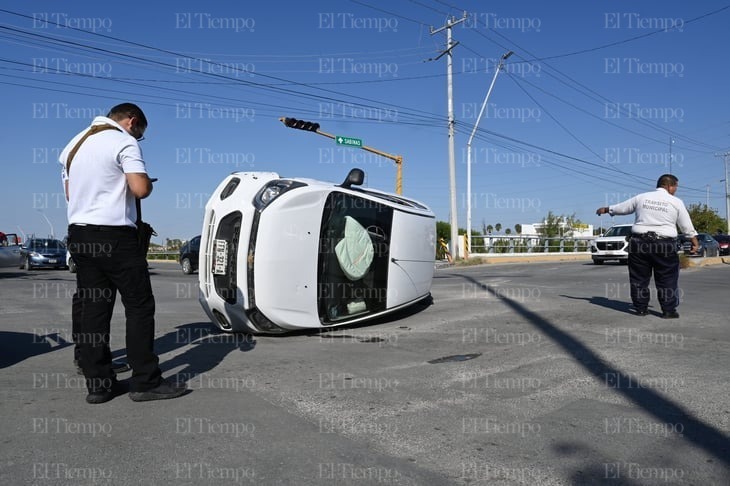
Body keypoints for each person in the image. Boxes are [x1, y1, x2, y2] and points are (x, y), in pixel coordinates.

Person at [59, 102, 187, 403]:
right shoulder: (123, 141)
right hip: (115, 236)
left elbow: (69, 193)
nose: (138, 139)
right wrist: (141, 183)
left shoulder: (72, 145)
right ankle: (145, 381)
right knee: (139, 307)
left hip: (80, 234)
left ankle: (99, 385)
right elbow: (140, 189)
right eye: (140, 133)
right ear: (132, 122)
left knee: (93, 310)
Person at [596, 174, 698, 318]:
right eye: (675, 187)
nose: (676, 190)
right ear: (669, 186)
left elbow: (623, 208)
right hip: (664, 245)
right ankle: (668, 311)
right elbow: (686, 225)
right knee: (667, 278)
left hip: (639, 244)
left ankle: (641, 308)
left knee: (639, 278)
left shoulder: (642, 198)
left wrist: (607, 209)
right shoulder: (676, 202)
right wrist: (694, 241)